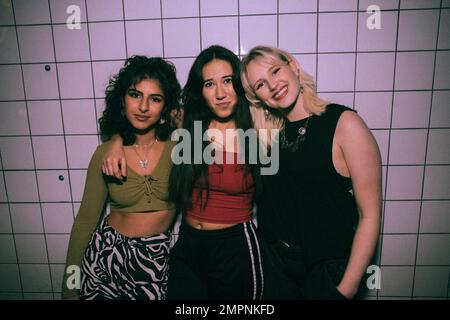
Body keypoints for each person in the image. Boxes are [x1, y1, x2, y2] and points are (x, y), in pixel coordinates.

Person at [102, 46, 265, 300]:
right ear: (200, 90)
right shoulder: (187, 123)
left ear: (240, 84)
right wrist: (114, 141)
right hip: (188, 245)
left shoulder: (257, 128)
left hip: (234, 248)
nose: (220, 93)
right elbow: (141, 117)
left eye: (228, 81)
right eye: (210, 84)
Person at [240, 45, 382, 299]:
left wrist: (345, 290)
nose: (273, 85)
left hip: (327, 273)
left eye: (275, 71)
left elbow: (369, 216)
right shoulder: (267, 138)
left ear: (292, 65)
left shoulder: (344, 123)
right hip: (277, 273)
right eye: (260, 84)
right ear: (256, 97)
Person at [62, 56, 182, 300]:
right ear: (122, 100)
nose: (143, 107)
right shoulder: (105, 154)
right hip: (105, 255)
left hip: (153, 260)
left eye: (155, 99)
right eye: (135, 95)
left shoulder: (179, 148)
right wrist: (69, 287)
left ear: (166, 107)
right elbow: (85, 223)